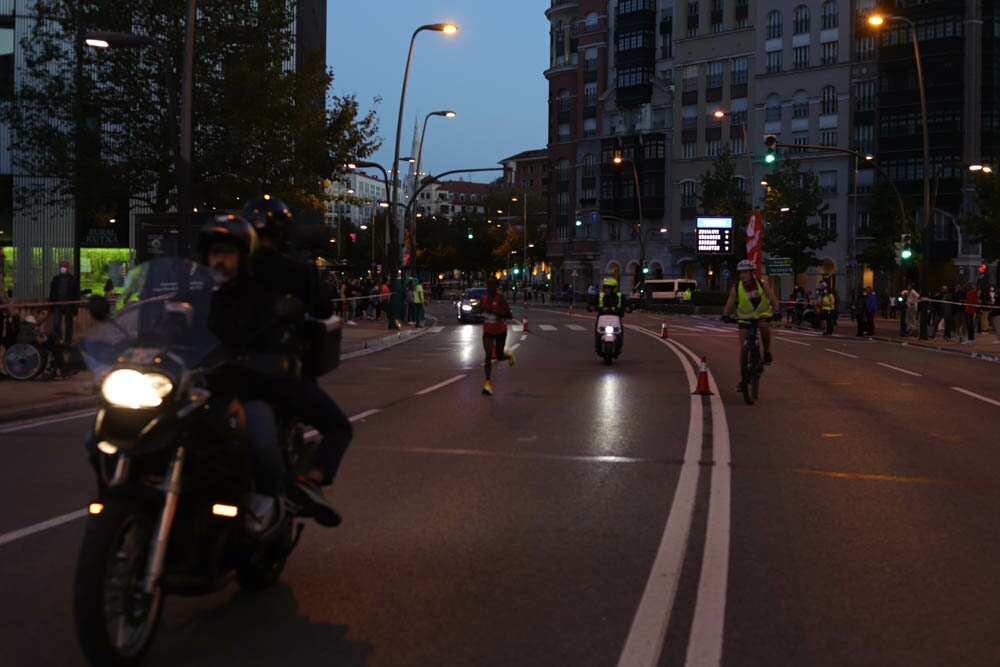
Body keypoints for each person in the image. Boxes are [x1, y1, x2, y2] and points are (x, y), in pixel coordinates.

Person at [240, 195, 351, 524]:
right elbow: (323, 310)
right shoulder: (297, 271)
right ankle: (312, 479)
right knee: (338, 427)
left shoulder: (231, 269)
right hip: (279, 373)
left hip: (221, 369)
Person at [722, 259, 778, 385]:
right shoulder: (737, 287)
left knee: (764, 326)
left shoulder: (762, 284)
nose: (743, 275)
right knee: (743, 347)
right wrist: (725, 314)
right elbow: (730, 303)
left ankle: (766, 352)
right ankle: (744, 376)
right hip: (745, 318)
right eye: (741, 273)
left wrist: (777, 310)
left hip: (761, 315)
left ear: (752, 273)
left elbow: (772, 298)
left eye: (745, 272)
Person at [477, 276, 515, 396]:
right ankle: (487, 384)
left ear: (496, 287)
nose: (490, 287)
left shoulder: (500, 299)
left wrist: (496, 312)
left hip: (500, 330)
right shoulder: (484, 298)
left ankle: (509, 356)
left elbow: (509, 315)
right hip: (488, 330)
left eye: (493, 285)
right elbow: (479, 310)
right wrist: (483, 308)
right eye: (488, 285)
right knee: (488, 355)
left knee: (499, 356)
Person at [49, 260, 80, 344]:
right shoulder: (56, 279)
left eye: (64, 267)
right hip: (57, 305)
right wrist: (51, 305)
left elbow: (76, 294)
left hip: (69, 305)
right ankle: (59, 339)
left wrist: (76, 307)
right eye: (62, 266)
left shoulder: (72, 279)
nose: (63, 268)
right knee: (55, 323)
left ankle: (68, 341)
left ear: (68, 268)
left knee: (69, 324)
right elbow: (52, 292)